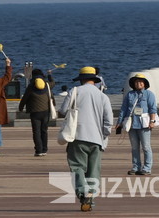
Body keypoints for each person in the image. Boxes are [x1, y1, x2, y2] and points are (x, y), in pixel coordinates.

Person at [58, 66, 113, 212]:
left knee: (77, 167)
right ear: (94, 80)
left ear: (81, 79)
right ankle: (91, 198)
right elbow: (108, 121)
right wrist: (104, 135)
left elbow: (63, 111)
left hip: (78, 136)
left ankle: (83, 192)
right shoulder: (103, 96)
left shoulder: (75, 91)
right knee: (94, 170)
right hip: (97, 139)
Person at [116, 73, 158, 176]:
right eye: (136, 82)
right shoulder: (129, 95)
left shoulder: (149, 94)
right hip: (132, 124)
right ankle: (136, 167)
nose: (138, 83)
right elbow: (123, 109)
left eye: (140, 82)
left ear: (144, 84)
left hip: (144, 125)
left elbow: (153, 109)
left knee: (146, 147)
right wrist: (119, 123)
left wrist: (152, 122)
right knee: (134, 147)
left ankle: (147, 168)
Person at [18, 68, 55, 156]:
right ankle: (44, 150)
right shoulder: (47, 85)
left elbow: (25, 98)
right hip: (46, 111)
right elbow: (53, 83)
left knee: (36, 132)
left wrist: (20, 108)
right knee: (44, 131)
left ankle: (38, 150)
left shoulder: (31, 86)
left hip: (34, 112)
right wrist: (50, 75)